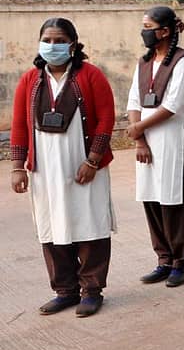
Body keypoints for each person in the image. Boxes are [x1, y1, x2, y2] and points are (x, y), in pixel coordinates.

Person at [10, 18, 116, 317]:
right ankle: (65, 291)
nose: (52, 46)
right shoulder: (30, 80)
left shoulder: (91, 75)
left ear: (73, 44)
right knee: (52, 225)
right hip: (44, 170)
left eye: (59, 41)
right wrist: (17, 166)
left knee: (90, 224)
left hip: (84, 168)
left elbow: (106, 118)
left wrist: (93, 160)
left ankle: (91, 291)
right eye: (47, 40)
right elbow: (19, 124)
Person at [127, 6, 184, 288]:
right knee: (151, 199)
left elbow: (173, 105)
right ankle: (163, 260)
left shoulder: (182, 62)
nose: (144, 31)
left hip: (172, 140)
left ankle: (180, 262)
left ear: (165, 31)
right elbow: (134, 101)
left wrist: (139, 128)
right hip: (147, 142)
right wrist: (139, 139)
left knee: (174, 201)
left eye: (148, 26)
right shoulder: (144, 62)